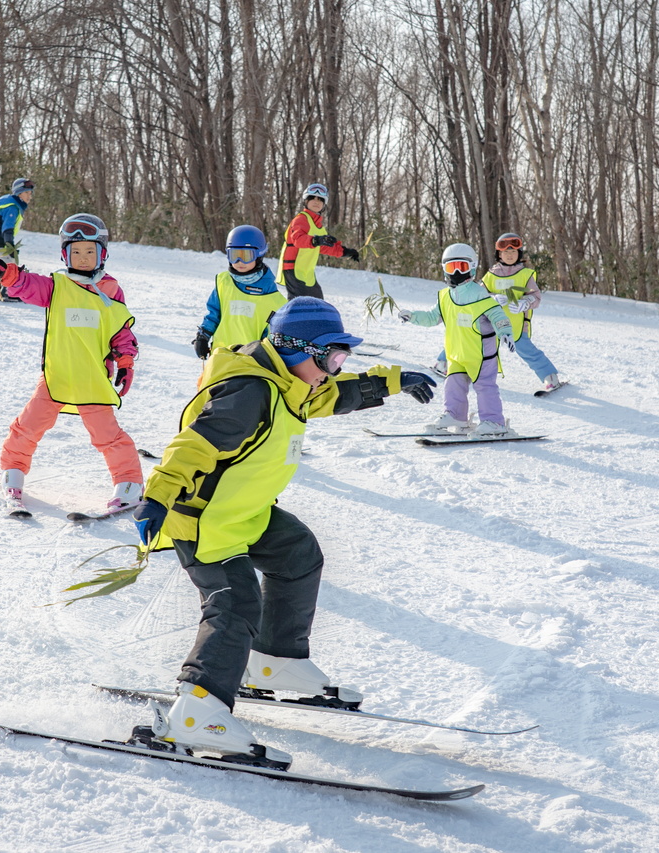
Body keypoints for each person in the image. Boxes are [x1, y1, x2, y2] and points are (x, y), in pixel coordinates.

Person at [126, 297, 436, 768]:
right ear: (297, 350)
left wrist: (393, 381)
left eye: (341, 359)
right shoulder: (251, 392)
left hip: (246, 512)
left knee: (298, 554)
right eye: (331, 357)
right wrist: (157, 496)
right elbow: (194, 446)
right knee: (235, 603)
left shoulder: (293, 384)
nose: (335, 368)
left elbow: (337, 395)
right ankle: (196, 712)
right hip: (206, 521)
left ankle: (275, 660)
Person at [0, 213, 144, 515]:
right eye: (76, 251)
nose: (83, 258)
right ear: (65, 254)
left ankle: (129, 484)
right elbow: (27, 286)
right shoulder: (56, 285)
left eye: (90, 251)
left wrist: (125, 361)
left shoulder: (110, 290)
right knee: (29, 426)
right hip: (56, 376)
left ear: (102, 253)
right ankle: (12, 471)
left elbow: (120, 330)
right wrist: (8, 275)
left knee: (107, 435)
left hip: (91, 379)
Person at [400, 243, 514, 436]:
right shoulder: (444, 296)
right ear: (444, 269)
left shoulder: (479, 294)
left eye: (461, 266)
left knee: (485, 386)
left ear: (471, 267)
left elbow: (497, 315)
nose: (456, 272)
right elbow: (432, 317)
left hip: (481, 355)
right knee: (453, 385)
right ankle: (456, 415)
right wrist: (412, 316)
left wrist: (505, 332)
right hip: (456, 355)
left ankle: (494, 421)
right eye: (451, 267)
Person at [482, 232, 563, 392]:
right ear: (499, 254)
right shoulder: (491, 275)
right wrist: (493, 298)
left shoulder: (525, 274)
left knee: (527, 350)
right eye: (506, 252)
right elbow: (478, 296)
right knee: (477, 346)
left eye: (513, 252)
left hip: (517, 325)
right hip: (493, 324)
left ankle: (550, 377)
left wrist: (524, 303)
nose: (510, 255)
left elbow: (536, 297)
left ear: (519, 253)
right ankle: (453, 368)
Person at [191, 225, 286, 360]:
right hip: (220, 357)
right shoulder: (224, 283)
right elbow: (213, 314)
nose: (239, 262)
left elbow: (272, 336)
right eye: (234, 255)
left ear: (259, 255)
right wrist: (203, 336)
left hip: (251, 362)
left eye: (246, 256)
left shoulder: (274, 299)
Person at [277, 182, 359, 301]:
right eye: (312, 198)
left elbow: (326, 246)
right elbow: (298, 239)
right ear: (305, 201)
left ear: (324, 204)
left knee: (317, 302)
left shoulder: (317, 225)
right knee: (300, 305)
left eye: (320, 199)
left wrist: (346, 252)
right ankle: (291, 319)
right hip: (293, 268)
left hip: (307, 271)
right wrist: (316, 240)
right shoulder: (301, 219)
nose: (316, 201)